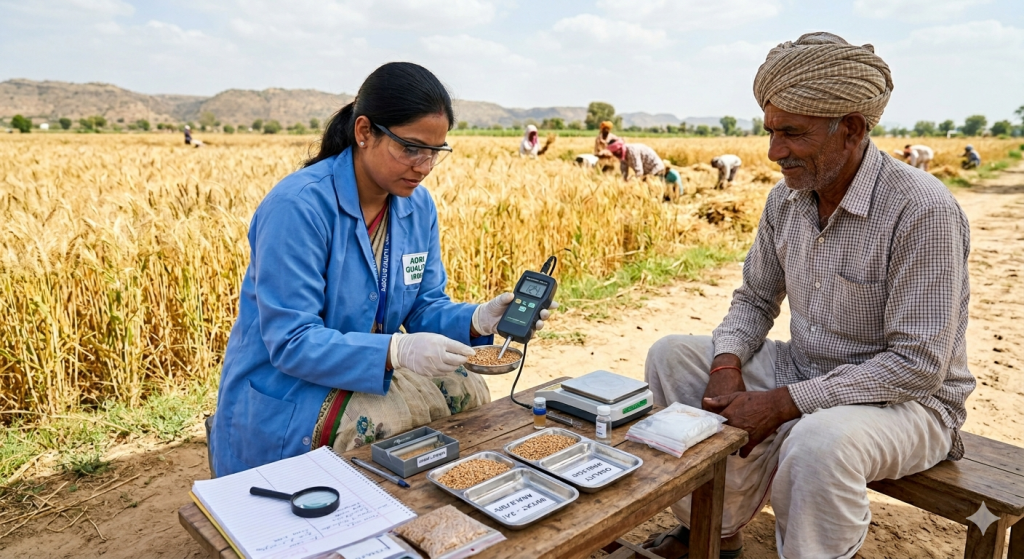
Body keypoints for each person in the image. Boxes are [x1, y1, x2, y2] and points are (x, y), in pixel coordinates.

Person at [644, 32, 973, 559]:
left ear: (853, 129)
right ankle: (715, 533)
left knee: (819, 442)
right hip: (806, 368)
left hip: (909, 406)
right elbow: (754, 300)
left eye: (792, 133)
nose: (775, 152)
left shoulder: (922, 210)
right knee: (671, 357)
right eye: (771, 131)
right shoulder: (787, 201)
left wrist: (780, 404)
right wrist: (726, 365)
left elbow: (918, 364)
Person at [209, 62, 556, 477]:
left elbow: (424, 306)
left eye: (435, 152)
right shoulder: (298, 207)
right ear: (363, 132)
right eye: (410, 148)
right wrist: (395, 351)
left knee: (467, 387)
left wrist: (478, 318)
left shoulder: (417, 206)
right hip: (293, 382)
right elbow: (292, 342)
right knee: (381, 423)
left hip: (369, 366)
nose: (423, 167)